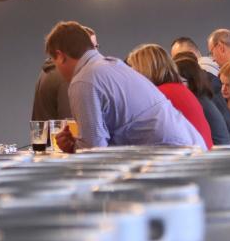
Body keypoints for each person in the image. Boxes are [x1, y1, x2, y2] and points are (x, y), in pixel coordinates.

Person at [44, 22, 206, 153]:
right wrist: (78, 144)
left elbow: (93, 151)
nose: (57, 69)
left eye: (54, 60)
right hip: (189, 152)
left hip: (170, 162)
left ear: (60, 55)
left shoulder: (83, 80)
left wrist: (75, 147)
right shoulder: (114, 65)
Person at [126, 44, 214, 149]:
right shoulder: (178, 89)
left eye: (134, 70)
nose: (132, 76)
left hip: (189, 159)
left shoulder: (159, 96)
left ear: (145, 70)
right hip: (201, 158)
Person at [32, 26, 97, 121]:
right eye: (91, 48)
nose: (95, 53)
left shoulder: (49, 70)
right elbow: (71, 122)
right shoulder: (66, 75)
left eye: (96, 47)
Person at [173, 53, 230, 146]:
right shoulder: (202, 98)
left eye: (179, 81)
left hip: (217, 153)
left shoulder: (198, 102)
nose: (175, 85)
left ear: (191, 80)